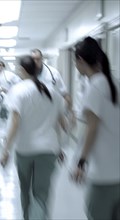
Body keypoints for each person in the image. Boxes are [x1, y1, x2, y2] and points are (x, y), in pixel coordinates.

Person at [0, 55, 67, 220]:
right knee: (41, 194)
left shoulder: (18, 90)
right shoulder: (53, 92)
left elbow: (14, 123)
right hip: (49, 149)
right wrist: (59, 149)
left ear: (22, 70)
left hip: (25, 150)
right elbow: (61, 124)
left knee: (26, 191)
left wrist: (5, 150)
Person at [71, 36, 120, 220]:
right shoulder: (115, 82)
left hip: (102, 176)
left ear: (80, 60)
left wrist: (81, 162)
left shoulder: (95, 86)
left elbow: (92, 128)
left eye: (75, 61)